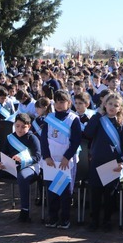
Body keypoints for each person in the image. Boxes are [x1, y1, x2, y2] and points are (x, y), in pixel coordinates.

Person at [0, 113, 40, 222]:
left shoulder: (32, 138)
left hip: (30, 167)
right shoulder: (10, 137)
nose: (19, 129)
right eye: (17, 126)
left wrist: (23, 159)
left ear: (28, 126)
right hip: (12, 167)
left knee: (22, 177)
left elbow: (37, 157)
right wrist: (0, 163)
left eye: (23, 127)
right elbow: (3, 153)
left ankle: (25, 210)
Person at [82, 92, 123, 231]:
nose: (112, 107)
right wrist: (98, 114)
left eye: (116, 105)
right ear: (105, 104)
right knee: (96, 193)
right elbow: (87, 133)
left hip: (113, 165)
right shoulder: (98, 119)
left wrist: (122, 162)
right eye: (110, 104)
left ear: (120, 108)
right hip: (96, 162)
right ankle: (94, 221)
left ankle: (107, 221)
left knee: (109, 195)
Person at [40, 90, 82, 229]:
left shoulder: (73, 119)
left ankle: (64, 219)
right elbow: (43, 139)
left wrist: (67, 157)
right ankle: (52, 218)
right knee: (52, 191)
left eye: (62, 101)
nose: (59, 104)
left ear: (69, 103)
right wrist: (46, 156)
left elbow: (76, 141)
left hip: (66, 161)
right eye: (56, 101)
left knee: (65, 192)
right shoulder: (49, 118)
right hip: (51, 161)